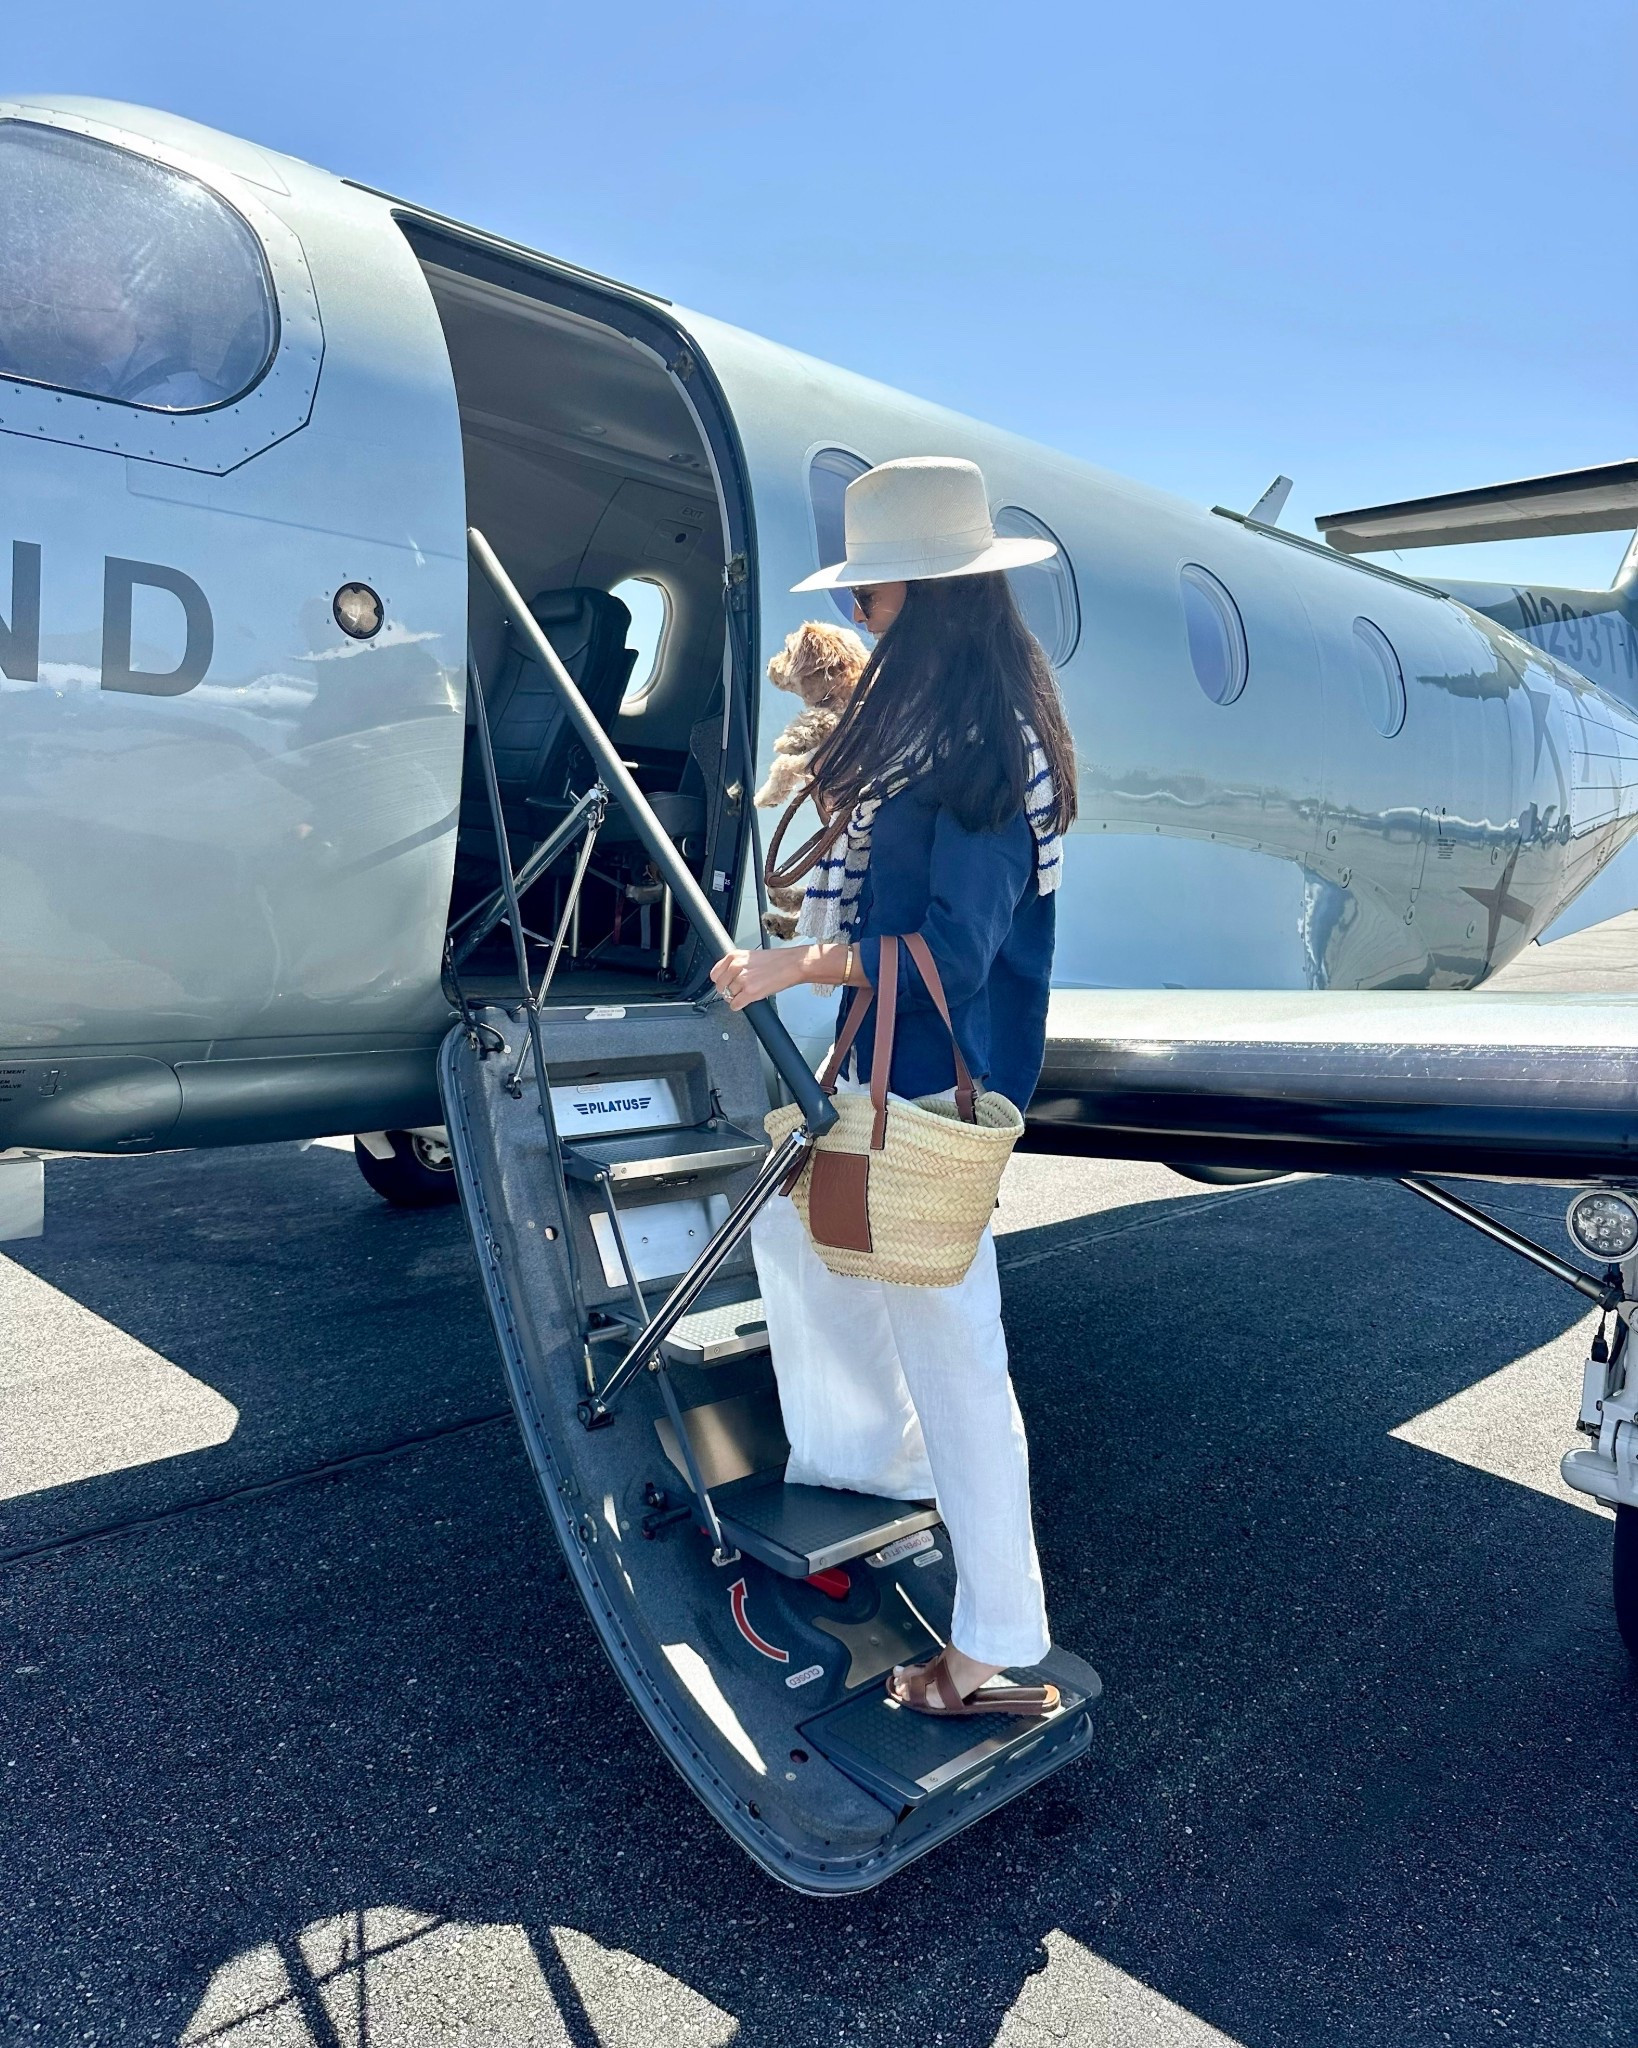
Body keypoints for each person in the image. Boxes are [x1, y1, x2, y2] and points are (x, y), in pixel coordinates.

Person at [710, 456, 1078, 1718]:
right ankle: (865, 1469)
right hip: (888, 1071)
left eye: (873, 595)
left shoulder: (977, 746)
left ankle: (992, 1640)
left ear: (928, 595)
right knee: (803, 1244)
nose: (860, 616)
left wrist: (792, 960)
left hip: (925, 1088)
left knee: (956, 1348)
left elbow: (953, 952)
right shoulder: (947, 731)